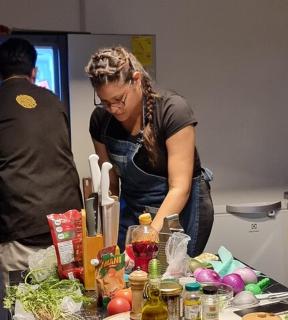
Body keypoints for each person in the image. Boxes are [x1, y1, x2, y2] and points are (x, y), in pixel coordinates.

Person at [85, 46, 214, 257]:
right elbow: (111, 185)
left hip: (181, 208)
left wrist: (150, 233)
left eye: (119, 100)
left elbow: (180, 187)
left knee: (169, 273)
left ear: (136, 80)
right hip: (135, 205)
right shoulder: (100, 120)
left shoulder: (172, 111)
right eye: (105, 102)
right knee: (125, 268)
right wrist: (106, 230)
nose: (114, 109)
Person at [0, 37, 83, 285]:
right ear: (33, 72)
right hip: (65, 227)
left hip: (20, 229)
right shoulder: (53, 101)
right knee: (68, 303)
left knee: (22, 307)